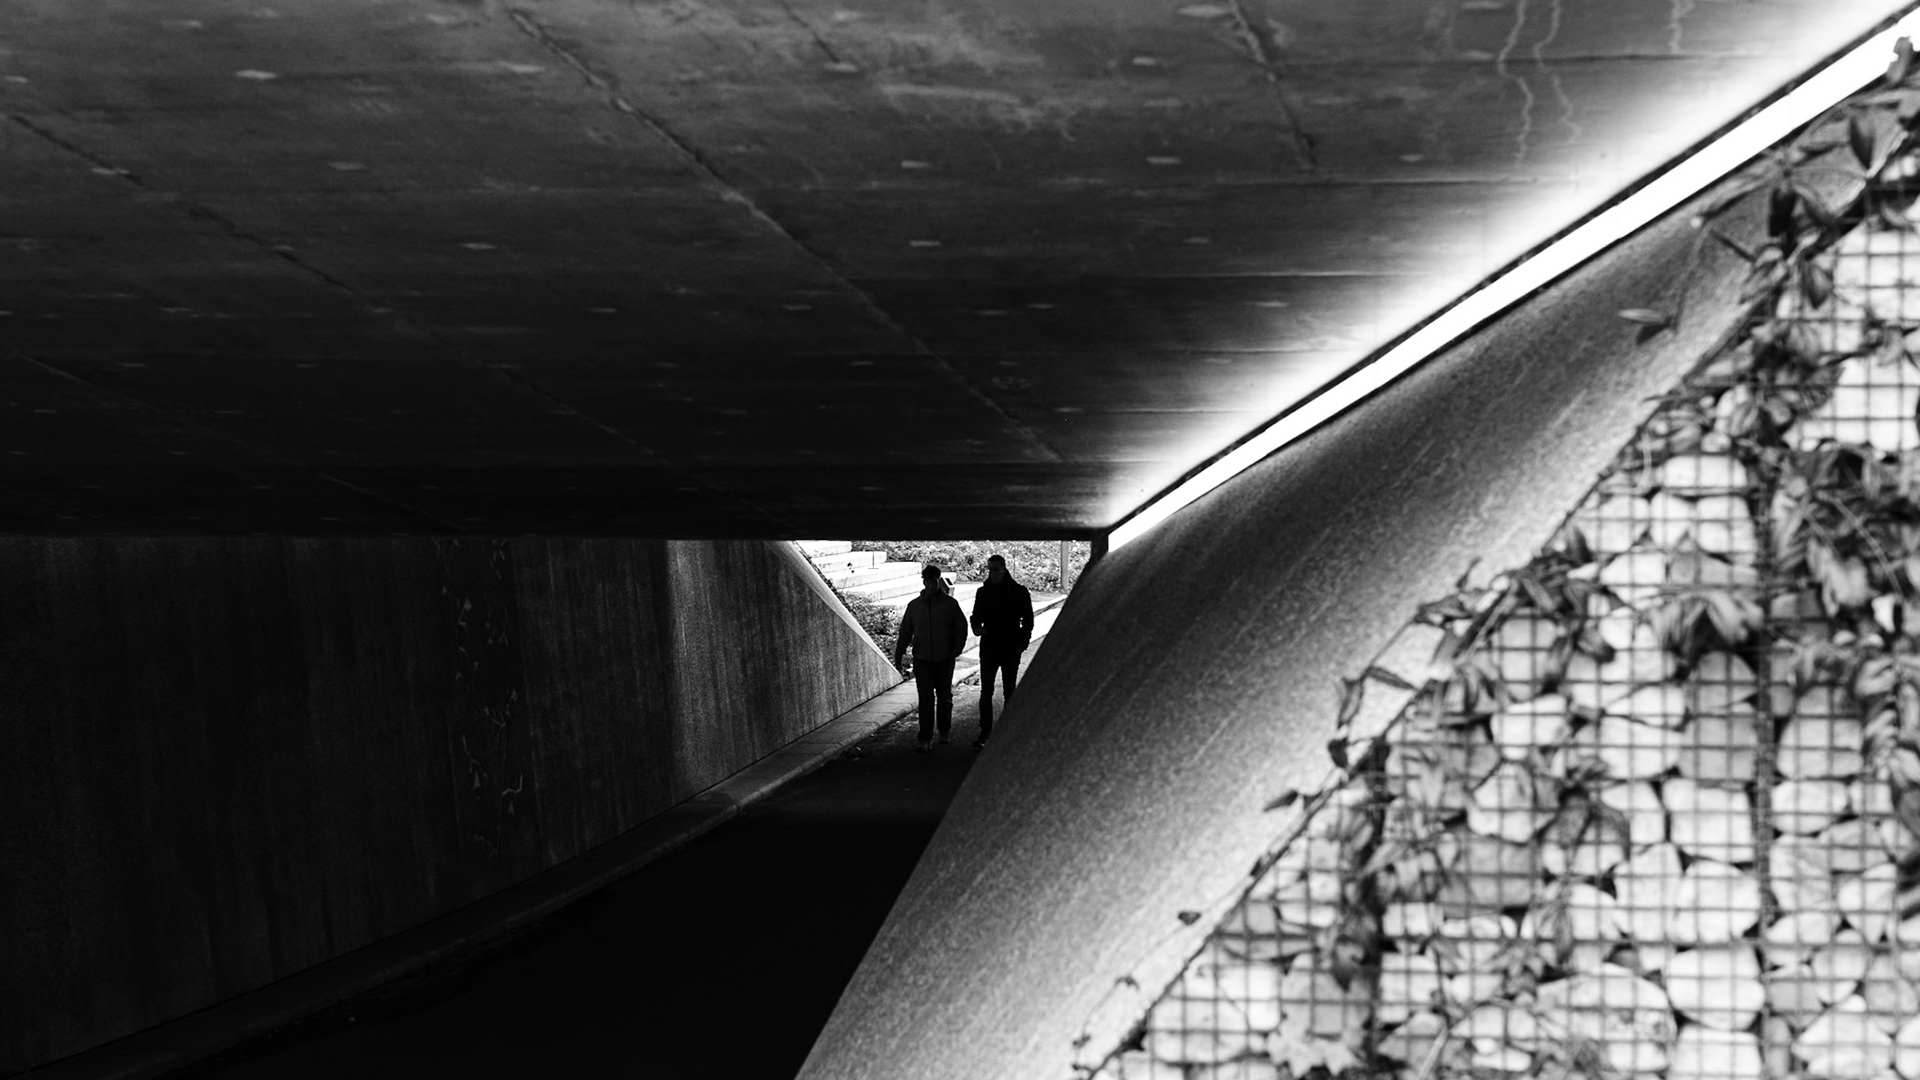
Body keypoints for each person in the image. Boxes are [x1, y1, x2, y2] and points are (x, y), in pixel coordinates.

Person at [893, 563, 969, 752]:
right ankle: (925, 737)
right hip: (923, 660)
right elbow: (905, 632)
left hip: (944, 659)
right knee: (925, 699)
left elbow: (961, 627)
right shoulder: (914, 606)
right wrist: (899, 653)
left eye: (933, 582)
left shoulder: (950, 605)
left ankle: (944, 730)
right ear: (924, 582)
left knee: (944, 697)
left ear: (938, 581)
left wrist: (956, 650)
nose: (930, 586)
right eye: (927, 582)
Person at [968, 553, 1034, 750]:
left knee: (1009, 690)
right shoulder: (984, 592)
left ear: (1004, 569)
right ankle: (985, 732)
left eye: (996, 569)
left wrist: (1022, 643)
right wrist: (977, 628)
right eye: (990, 569)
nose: (993, 573)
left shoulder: (1019, 592)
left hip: (1009, 646)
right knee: (986, 691)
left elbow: (1028, 621)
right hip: (990, 646)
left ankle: (1006, 731)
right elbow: (975, 616)